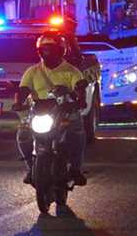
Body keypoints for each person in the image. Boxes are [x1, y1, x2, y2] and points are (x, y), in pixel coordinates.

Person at [13, 32, 88, 186]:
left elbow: (80, 88)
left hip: (65, 111)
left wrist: (80, 101)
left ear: (61, 51)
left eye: (51, 49)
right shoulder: (32, 71)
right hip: (39, 111)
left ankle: (76, 169)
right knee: (23, 135)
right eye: (44, 50)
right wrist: (19, 103)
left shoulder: (72, 71)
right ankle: (31, 168)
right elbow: (23, 90)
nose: (48, 53)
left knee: (77, 133)